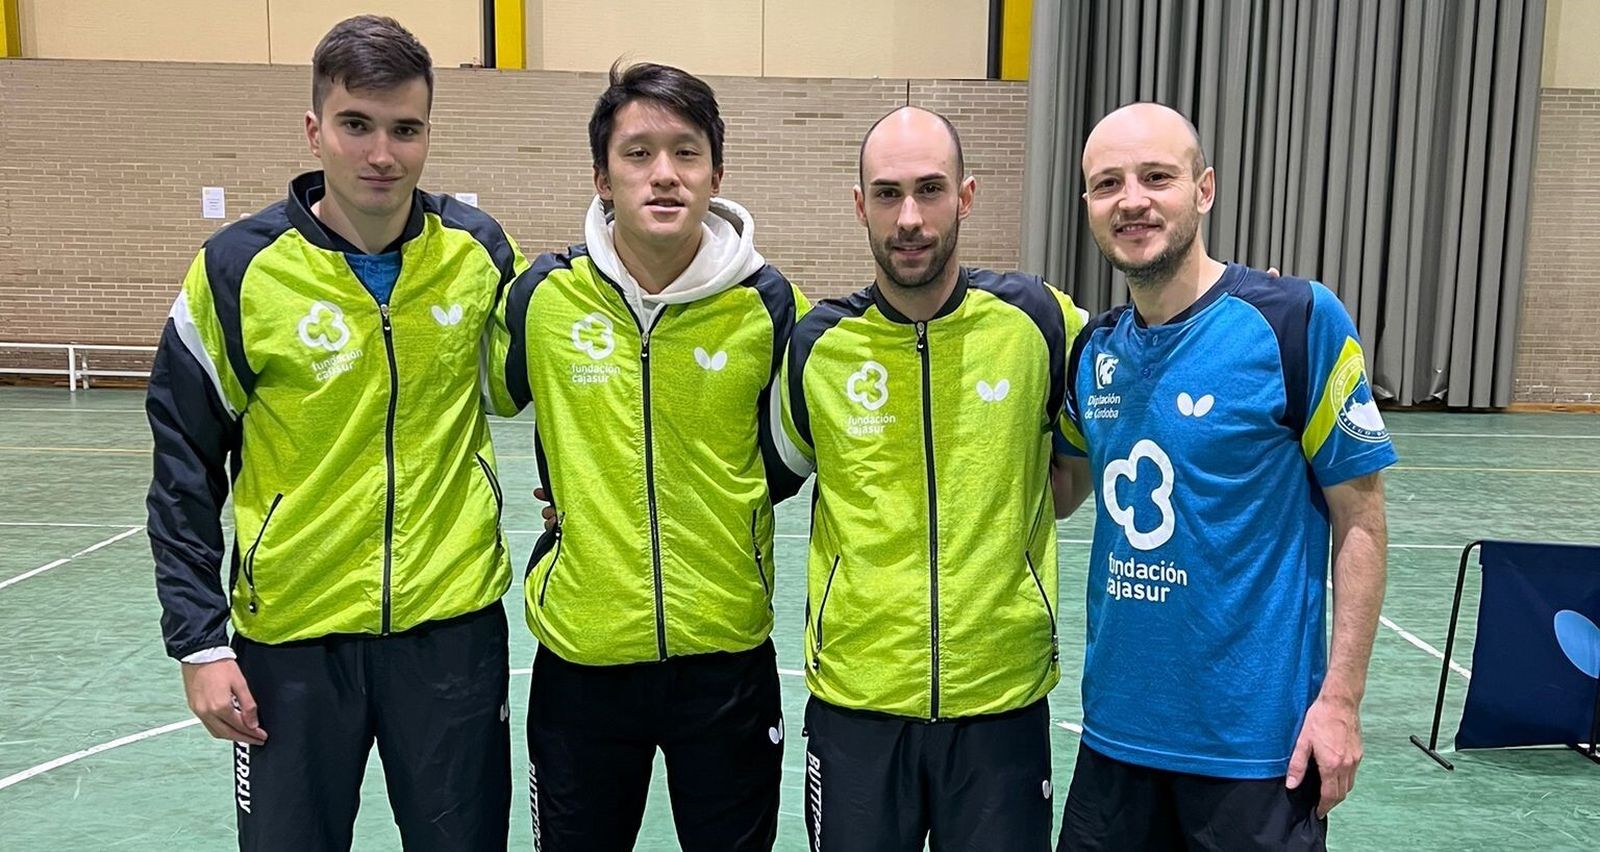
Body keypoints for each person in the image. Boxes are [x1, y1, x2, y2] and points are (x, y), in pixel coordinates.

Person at [145, 15, 522, 850]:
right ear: (314, 130)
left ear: (428, 134)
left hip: (451, 629)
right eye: (357, 125)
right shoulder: (237, 272)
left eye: (405, 129)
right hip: (291, 642)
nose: (381, 153)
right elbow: (183, 466)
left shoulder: (479, 253)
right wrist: (200, 644)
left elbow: (554, 377)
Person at [1053, 102, 1395, 851]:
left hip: (1255, 754)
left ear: (1203, 189)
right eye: (1107, 183)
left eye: (1157, 177)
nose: (1132, 200)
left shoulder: (1295, 321)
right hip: (1114, 741)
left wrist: (1341, 700)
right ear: (1088, 208)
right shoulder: (1093, 353)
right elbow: (1057, 490)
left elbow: (1362, 519)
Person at [490, 62, 806, 851]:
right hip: (583, 661)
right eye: (638, 154)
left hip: (726, 661)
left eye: (685, 152)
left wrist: (726, 514)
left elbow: (798, 447)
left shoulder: (769, 307)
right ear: (601, 176)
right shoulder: (543, 301)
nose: (664, 174)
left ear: (716, 172)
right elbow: (464, 397)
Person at [768, 106, 1087, 852]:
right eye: (886, 194)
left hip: (999, 705)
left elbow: (1137, 375)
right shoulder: (818, 347)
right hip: (857, 707)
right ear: (859, 206)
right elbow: (751, 474)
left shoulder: (1039, 324)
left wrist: (1238, 297)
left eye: (929, 190)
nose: (909, 217)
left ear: (966, 197)